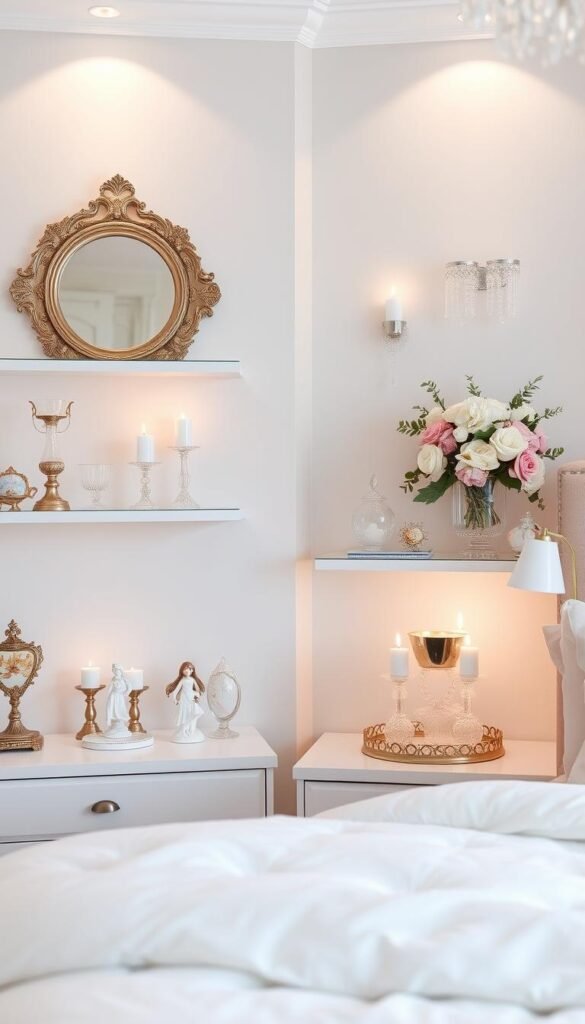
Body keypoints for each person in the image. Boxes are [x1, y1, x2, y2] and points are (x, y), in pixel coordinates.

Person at [166, 661, 205, 742]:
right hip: (184, 699)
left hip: (191, 698)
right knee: (185, 714)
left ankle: (190, 728)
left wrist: (197, 695)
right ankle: (184, 729)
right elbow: (176, 690)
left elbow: (197, 689)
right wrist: (175, 699)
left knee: (196, 712)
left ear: (192, 670)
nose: (187, 671)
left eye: (189, 669)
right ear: (182, 671)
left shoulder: (193, 679)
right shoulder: (183, 680)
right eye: (185, 669)